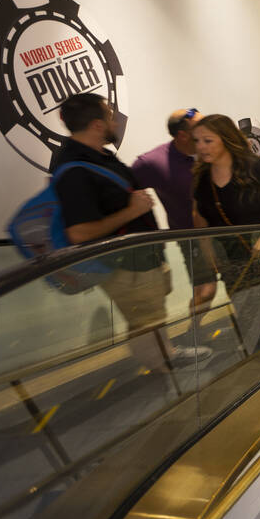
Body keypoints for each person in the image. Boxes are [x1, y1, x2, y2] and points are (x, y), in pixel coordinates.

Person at [51, 93, 210, 365]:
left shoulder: (101, 157)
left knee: (151, 314)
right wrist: (132, 211)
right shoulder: (74, 169)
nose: (115, 122)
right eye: (110, 116)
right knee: (145, 317)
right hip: (124, 264)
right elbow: (78, 233)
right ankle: (163, 369)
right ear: (97, 125)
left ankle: (163, 357)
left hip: (142, 258)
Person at [190, 115, 260, 353]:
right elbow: (201, 219)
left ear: (226, 139)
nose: (201, 147)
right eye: (197, 141)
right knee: (254, 325)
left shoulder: (257, 169)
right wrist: (209, 253)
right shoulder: (202, 179)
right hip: (235, 265)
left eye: (208, 140)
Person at [131, 108, 217, 313]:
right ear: (183, 135)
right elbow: (125, 192)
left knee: (240, 282)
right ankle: (194, 336)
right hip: (192, 238)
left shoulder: (210, 151)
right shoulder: (152, 162)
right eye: (200, 127)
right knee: (205, 292)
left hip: (227, 232)